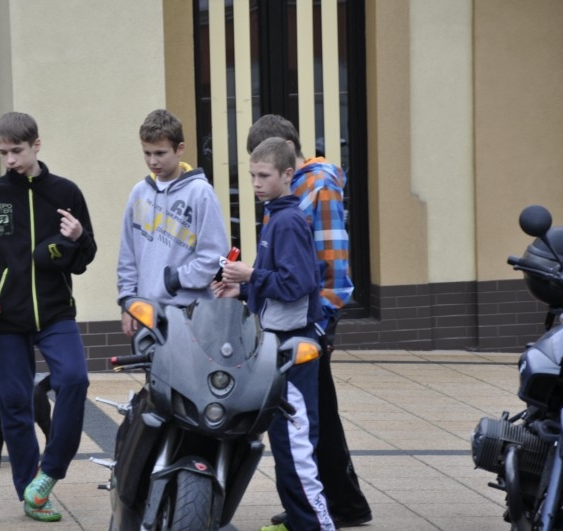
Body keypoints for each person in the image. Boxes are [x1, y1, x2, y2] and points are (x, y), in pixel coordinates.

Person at [0, 111, 97, 523]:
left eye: (17, 151)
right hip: (5, 317)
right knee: (14, 401)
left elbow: (84, 259)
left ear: (36, 145)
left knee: (75, 379)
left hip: (56, 312)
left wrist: (78, 238)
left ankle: (50, 472)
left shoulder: (65, 192)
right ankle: (29, 491)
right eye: (3, 153)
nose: (10, 160)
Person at [246, 115, 372, 528]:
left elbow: (331, 259)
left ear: (286, 153)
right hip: (297, 318)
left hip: (310, 320)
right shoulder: (284, 199)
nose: (257, 182)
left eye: (264, 171)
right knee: (312, 417)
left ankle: (328, 508)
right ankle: (329, 504)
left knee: (307, 421)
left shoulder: (318, 184)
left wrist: (321, 323)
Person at [213, 137, 334, 531]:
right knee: (285, 442)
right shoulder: (275, 216)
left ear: (287, 175)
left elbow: (297, 284)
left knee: (295, 446)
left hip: (293, 347)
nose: (255, 183)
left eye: (264, 175)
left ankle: (315, 524)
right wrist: (241, 289)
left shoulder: (288, 221)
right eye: (251, 176)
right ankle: (300, 521)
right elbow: (276, 284)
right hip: (278, 345)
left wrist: (250, 275)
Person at [116, 108, 228, 330]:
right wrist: (127, 301)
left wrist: (175, 280)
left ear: (180, 149)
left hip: (190, 313)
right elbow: (128, 255)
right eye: (147, 153)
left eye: (160, 153)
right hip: (146, 313)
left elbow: (215, 255)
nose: (153, 161)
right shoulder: (139, 193)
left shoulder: (200, 192)